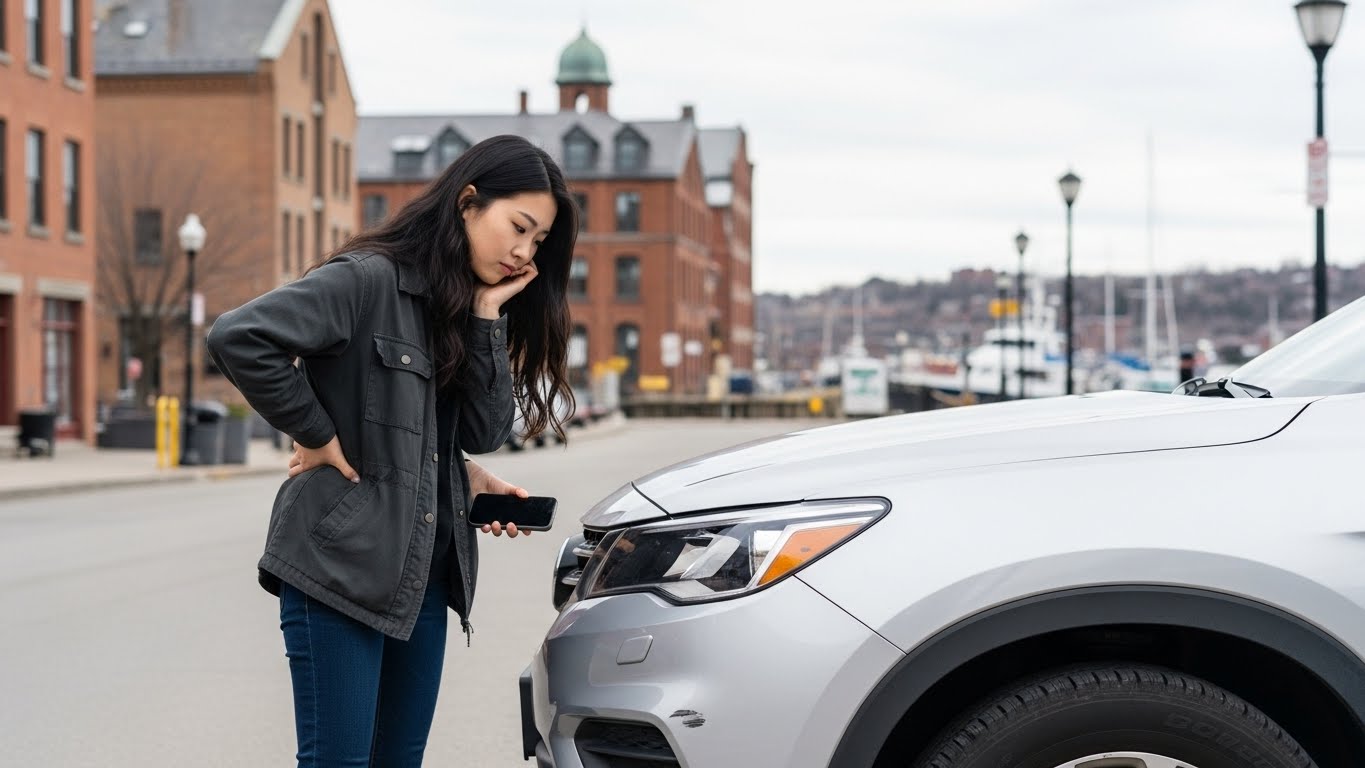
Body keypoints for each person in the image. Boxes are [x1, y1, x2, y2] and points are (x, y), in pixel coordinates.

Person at [205, 134, 576, 766]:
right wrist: (317, 434)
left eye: (538, 242)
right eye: (519, 227)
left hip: (421, 582)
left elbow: (484, 430)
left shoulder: (461, 309)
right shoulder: (367, 280)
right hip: (339, 569)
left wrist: (487, 320)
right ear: (467, 203)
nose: (523, 252)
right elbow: (240, 337)